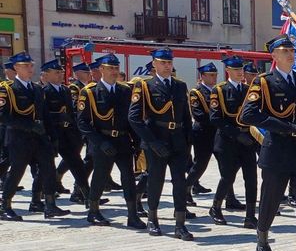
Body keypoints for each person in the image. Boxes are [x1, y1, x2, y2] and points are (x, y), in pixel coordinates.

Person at [239, 35, 296, 251]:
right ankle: (262, 240)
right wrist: (285, 128)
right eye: (284, 50)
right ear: (274, 56)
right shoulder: (264, 82)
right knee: (271, 200)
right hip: (277, 152)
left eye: (291, 50)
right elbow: (248, 115)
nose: (290, 54)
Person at [128, 48, 194, 240]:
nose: (166, 66)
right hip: (156, 138)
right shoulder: (145, 86)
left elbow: (185, 117)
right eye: (162, 63)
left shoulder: (180, 86)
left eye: (169, 62)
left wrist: (188, 141)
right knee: (155, 181)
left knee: (179, 182)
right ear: (154, 64)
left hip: (178, 140)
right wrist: (152, 141)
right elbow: (134, 119)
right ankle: (152, 219)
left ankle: (180, 224)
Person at [76, 54, 145, 228]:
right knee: (100, 176)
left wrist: (137, 143)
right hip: (102, 139)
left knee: (128, 177)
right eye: (110, 68)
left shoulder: (125, 91)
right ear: (101, 70)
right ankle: (93, 211)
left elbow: (131, 119)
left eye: (116, 68)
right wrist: (100, 142)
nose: (114, 72)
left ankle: (132, 214)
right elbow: (82, 122)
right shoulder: (90, 92)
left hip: (122, 139)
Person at [0, 52, 70, 221]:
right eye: (26, 66)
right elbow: (3, 116)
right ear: (16, 68)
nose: (30, 69)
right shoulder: (7, 89)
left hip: (40, 137)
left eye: (31, 65)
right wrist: (30, 125)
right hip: (19, 138)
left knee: (48, 169)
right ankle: (5, 206)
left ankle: (50, 205)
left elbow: (45, 115)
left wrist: (53, 137)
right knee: (17, 171)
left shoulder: (38, 88)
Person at [207, 56, 258, 228]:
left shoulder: (248, 90)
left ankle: (250, 216)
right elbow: (215, 119)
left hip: (247, 141)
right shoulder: (219, 90)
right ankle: (215, 207)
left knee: (251, 178)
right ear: (228, 71)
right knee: (227, 177)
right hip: (227, 141)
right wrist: (237, 134)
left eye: (241, 70)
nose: (240, 73)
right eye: (236, 70)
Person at [40, 59, 91, 206]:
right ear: (46, 75)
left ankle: (87, 196)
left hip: (67, 134)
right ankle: (38, 199)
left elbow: (71, 111)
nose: (60, 75)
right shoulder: (45, 92)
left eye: (61, 72)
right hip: (52, 134)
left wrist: (75, 131)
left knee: (77, 164)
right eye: (56, 73)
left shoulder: (65, 90)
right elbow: (43, 115)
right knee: (46, 168)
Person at [186, 63, 219, 204]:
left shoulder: (219, 90)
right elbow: (198, 114)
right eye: (211, 75)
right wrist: (219, 121)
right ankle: (186, 190)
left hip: (218, 134)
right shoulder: (197, 92)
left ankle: (230, 197)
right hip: (203, 133)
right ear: (203, 76)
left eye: (215, 75)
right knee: (200, 164)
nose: (214, 78)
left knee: (227, 166)